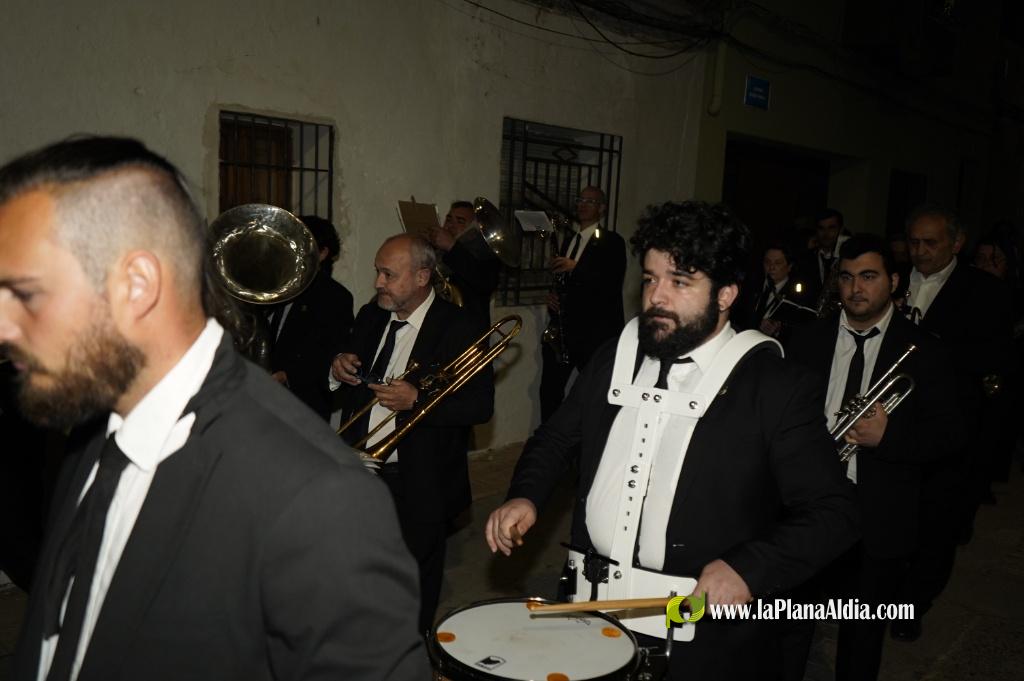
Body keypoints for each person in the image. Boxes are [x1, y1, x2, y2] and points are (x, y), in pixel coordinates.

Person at [0, 136, 428, 681]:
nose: (3, 326)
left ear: (137, 285)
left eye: (26, 293)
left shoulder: (322, 499)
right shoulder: (89, 427)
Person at [486, 201, 859, 679]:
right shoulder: (614, 355)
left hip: (699, 638)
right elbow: (555, 439)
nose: (656, 297)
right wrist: (526, 495)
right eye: (650, 278)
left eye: (680, 282)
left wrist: (751, 568)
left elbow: (835, 511)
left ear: (725, 295)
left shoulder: (775, 387)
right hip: (588, 611)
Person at [787, 234, 964, 681]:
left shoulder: (926, 350)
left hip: (878, 512)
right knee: (789, 629)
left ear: (894, 282)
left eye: (868, 276)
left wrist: (890, 436)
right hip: (809, 504)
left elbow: (951, 436)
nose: (855, 288)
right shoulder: (808, 340)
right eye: (846, 277)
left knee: (861, 637)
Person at [330, 233, 494, 634]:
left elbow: (479, 406)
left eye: (388, 274)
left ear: (423, 276)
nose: (378, 283)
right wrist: (336, 369)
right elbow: (346, 371)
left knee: (416, 575)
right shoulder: (371, 315)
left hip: (420, 476)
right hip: (360, 469)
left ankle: (410, 648)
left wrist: (417, 400)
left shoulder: (459, 326)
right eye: (377, 272)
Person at [893, 203, 1015, 640]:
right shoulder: (893, 280)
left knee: (937, 524)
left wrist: (934, 351)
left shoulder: (984, 291)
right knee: (895, 517)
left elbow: (995, 358)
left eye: (931, 243)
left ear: (956, 243)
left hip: (948, 426)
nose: (920, 252)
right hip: (893, 420)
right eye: (914, 242)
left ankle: (912, 605)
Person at [539, 185, 626, 421]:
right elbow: (566, 283)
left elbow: (610, 281)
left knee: (594, 392)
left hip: (594, 332)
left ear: (602, 209)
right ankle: (548, 445)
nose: (582, 204)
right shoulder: (569, 241)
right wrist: (553, 297)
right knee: (549, 391)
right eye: (580, 200)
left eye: (590, 201)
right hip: (565, 327)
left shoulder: (612, 241)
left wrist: (576, 267)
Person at [268, 215, 354, 420]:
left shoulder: (336, 296)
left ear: (323, 253)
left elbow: (330, 354)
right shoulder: (275, 285)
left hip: (303, 407)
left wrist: (286, 376)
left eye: (299, 244)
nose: (290, 250)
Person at [429, 200, 501, 322]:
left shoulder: (485, 253)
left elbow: (486, 283)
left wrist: (452, 246)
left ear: (475, 227)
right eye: (449, 219)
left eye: (460, 221)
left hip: (468, 329)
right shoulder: (436, 250)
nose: (450, 225)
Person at [743, 242, 815, 342]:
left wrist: (779, 329)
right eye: (767, 262)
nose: (771, 267)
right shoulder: (751, 287)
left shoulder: (797, 297)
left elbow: (802, 332)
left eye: (778, 263)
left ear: (789, 267)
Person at [796, 208, 850, 305]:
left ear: (841, 229)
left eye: (831, 228)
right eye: (821, 228)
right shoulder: (806, 257)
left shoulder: (849, 258)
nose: (826, 233)